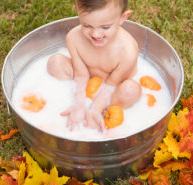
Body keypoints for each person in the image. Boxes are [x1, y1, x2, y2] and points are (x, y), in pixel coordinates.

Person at [47, 0, 141, 132]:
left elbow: (111, 85)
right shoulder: (74, 38)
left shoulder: (127, 51)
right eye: (86, 25)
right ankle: (66, 101)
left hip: (114, 88)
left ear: (122, 18)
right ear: (77, 12)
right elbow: (81, 74)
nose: (95, 34)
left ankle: (104, 113)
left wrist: (95, 108)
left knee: (130, 90)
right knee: (55, 63)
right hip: (87, 81)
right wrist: (79, 103)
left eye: (105, 27)